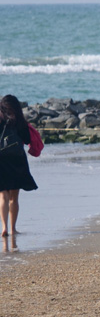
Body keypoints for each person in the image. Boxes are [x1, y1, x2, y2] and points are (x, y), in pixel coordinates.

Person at [0, 95, 38, 237]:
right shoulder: (20, 121)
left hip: (1, 159)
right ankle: (13, 228)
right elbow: (28, 140)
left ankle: (4, 227)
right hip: (17, 160)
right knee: (14, 198)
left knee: (3, 195)